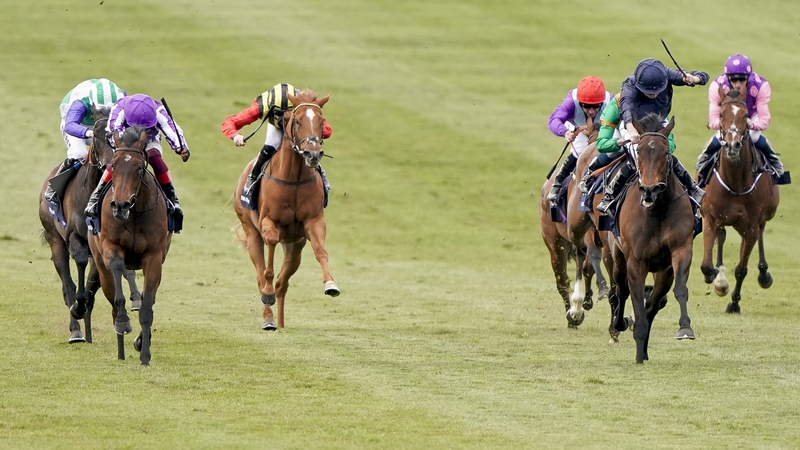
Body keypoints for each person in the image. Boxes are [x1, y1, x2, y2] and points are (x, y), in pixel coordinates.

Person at [577, 58, 708, 213]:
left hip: (655, 120)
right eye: (648, 92)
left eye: (657, 91)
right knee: (635, 152)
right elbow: (627, 110)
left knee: (664, 151)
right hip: (631, 120)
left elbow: (704, 76)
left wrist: (694, 78)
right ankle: (609, 193)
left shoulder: (666, 74)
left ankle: (692, 189)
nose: (653, 95)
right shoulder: (629, 85)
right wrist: (631, 131)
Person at [221, 83, 332, 205]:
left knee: (311, 152)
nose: (284, 117)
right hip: (276, 129)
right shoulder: (263, 105)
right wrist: (235, 135)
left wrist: (312, 134)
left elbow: (326, 130)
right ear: (271, 109)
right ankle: (251, 181)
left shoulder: (304, 105)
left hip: (298, 130)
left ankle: (322, 181)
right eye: (279, 113)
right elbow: (231, 122)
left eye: (288, 112)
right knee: (268, 148)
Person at [84, 93, 190, 220]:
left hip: (150, 139)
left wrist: (181, 148)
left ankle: (173, 200)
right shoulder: (119, 109)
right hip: (125, 139)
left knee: (156, 159)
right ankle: (95, 198)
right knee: (119, 162)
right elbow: (113, 132)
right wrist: (126, 150)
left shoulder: (159, 111)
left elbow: (172, 130)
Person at [696, 54, 784, 186]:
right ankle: (702, 165)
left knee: (754, 136)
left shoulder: (760, 86)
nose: (737, 84)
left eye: (742, 80)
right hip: (727, 119)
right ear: (727, 78)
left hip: (750, 116)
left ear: (748, 77)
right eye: (733, 80)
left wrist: (751, 124)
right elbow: (713, 120)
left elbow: (764, 119)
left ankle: (776, 165)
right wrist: (728, 124)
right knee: (721, 136)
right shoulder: (717, 86)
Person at [44, 79, 126, 202]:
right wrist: (90, 133)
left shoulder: (121, 97)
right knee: (78, 153)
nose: (106, 112)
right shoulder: (81, 102)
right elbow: (70, 125)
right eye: (102, 110)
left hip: (106, 127)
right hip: (80, 125)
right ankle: (54, 188)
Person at [545, 76, 615, 202]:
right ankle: (558, 182)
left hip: (603, 130)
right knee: (581, 151)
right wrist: (565, 132)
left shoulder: (610, 101)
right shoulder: (571, 102)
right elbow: (554, 120)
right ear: (580, 102)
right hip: (579, 129)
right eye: (587, 106)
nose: (592, 111)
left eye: (596, 106)